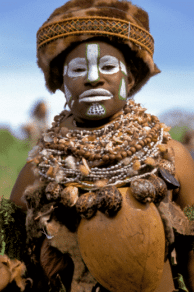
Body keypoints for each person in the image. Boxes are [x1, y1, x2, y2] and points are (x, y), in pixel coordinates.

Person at [1, 0, 194, 291]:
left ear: (129, 78)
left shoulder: (171, 155)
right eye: (78, 69)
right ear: (62, 83)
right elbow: (19, 259)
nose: (93, 78)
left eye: (107, 66)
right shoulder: (39, 168)